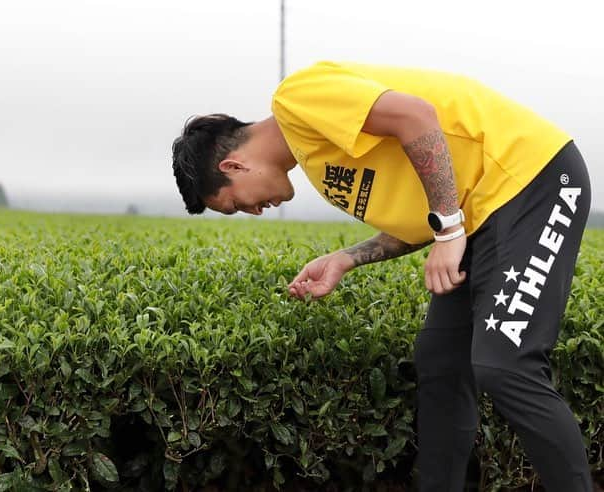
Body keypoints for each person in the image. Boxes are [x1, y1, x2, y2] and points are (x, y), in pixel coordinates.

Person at [170, 60, 593, 491]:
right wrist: (347, 259)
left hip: (531, 178)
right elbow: (417, 220)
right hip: (478, 213)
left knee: (505, 365)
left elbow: (415, 116)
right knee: (441, 360)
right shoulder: (317, 162)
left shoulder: (297, 99)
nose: (254, 212)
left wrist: (448, 229)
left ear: (233, 168)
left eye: (237, 205)